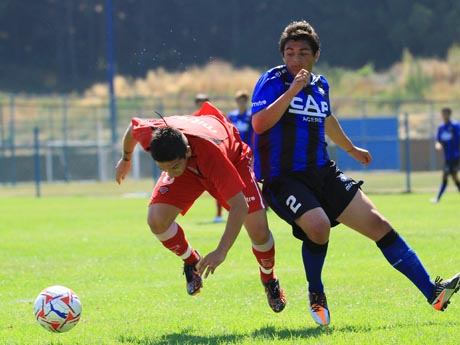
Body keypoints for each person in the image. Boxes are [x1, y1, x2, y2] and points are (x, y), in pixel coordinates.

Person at [251, 20, 460, 326]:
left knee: (379, 224)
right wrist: (293, 90)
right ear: (283, 55)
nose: (295, 59)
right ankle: (316, 291)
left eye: (303, 53)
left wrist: (352, 149)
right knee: (319, 227)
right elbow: (259, 124)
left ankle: (434, 293)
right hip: (284, 178)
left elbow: (327, 119)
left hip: (323, 172)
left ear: (316, 55)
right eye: (290, 53)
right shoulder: (273, 81)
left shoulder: (321, 86)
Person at [115, 101, 286, 313]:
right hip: (190, 167)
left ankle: (269, 278)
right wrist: (125, 159)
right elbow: (133, 129)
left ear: (186, 151)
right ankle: (192, 261)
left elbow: (239, 207)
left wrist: (221, 251)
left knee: (259, 232)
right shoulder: (156, 138)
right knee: (156, 220)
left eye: (173, 166)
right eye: (163, 167)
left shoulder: (210, 155)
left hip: (232, 161)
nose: (170, 172)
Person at [194, 93, 224, 223]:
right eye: (199, 101)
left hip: (217, 156)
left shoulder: (216, 116)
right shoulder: (193, 118)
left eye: (205, 101)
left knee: (221, 187)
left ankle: (220, 215)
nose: (202, 103)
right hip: (200, 159)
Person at [432, 107, 460, 203]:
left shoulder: (455, 125)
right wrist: (438, 145)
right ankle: (437, 199)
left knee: (445, 176)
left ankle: (437, 199)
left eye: (445, 114)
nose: (444, 116)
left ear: (449, 114)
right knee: (454, 177)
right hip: (447, 157)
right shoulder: (441, 127)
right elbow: (438, 140)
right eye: (442, 114)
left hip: (455, 156)